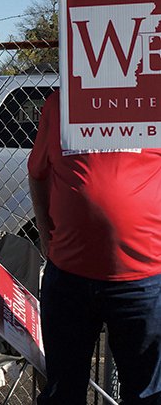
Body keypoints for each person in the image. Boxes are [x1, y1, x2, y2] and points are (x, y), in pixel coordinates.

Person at [28, 89, 161, 405]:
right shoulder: (61, 104)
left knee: (146, 395)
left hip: (143, 282)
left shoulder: (152, 99)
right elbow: (38, 174)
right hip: (69, 278)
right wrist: (48, 239)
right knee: (63, 391)